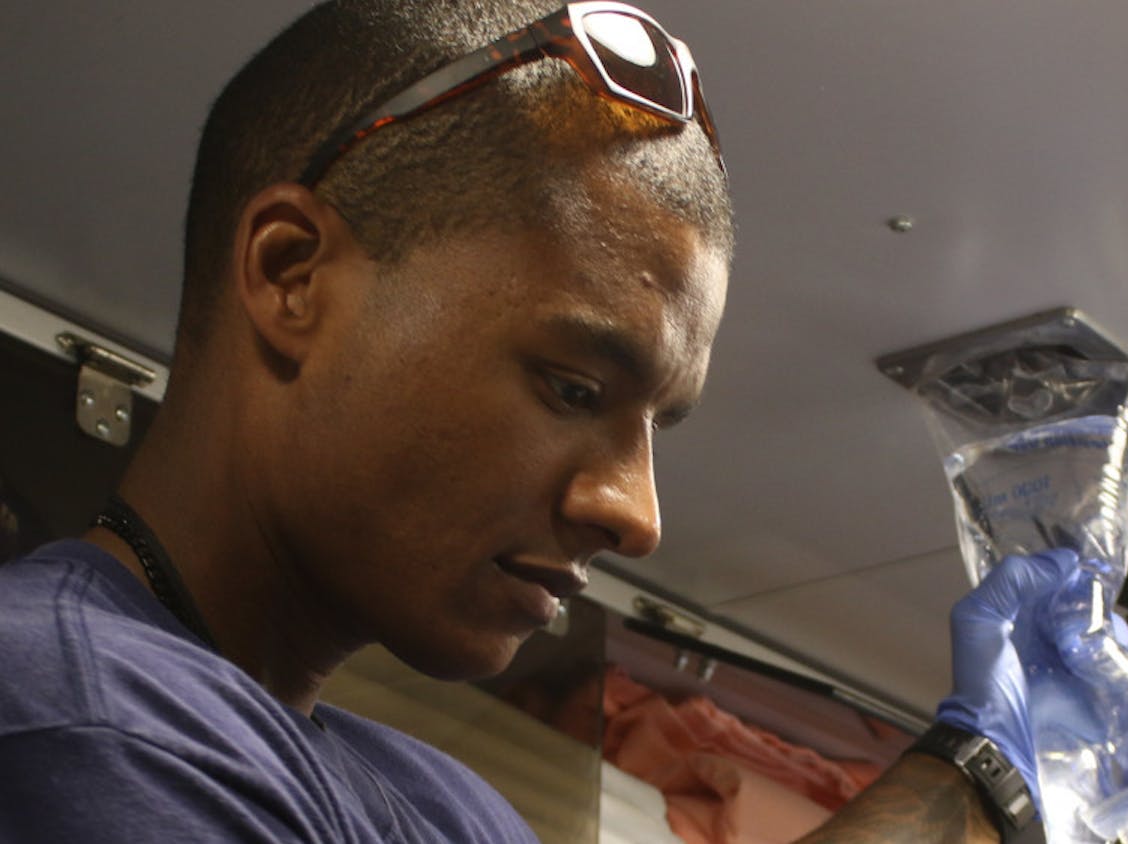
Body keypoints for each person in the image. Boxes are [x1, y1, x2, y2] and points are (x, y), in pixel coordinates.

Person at [0, 1, 1060, 841]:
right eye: (573, 388)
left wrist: (987, 783)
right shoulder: (77, 710)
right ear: (293, 275)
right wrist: (974, 784)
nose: (636, 514)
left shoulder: (447, 805)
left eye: (658, 425)